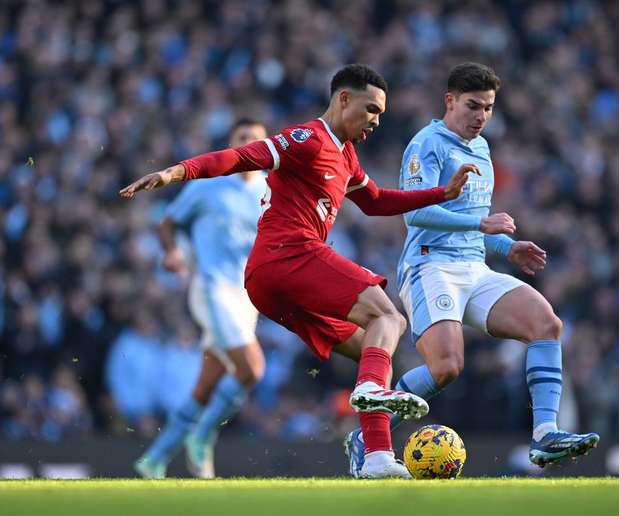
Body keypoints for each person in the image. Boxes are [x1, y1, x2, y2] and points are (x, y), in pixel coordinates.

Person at [120, 64, 475, 479]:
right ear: (343, 99)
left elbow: (376, 201)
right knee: (389, 317)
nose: (376, 121)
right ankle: (365, 395)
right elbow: (239, 157)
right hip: (286, 255)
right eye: (371, 109)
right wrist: (176, 172)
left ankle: (376, 456)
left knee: (373, 352)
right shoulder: (307, 138)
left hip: (271, 283)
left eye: (380, 114)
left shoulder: (345, 155)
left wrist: (442, 193)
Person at [344, 63, 599, 477]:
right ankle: (368, 432)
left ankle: (545, 436)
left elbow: (476, 226)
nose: (481, 116)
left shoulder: (481, 149)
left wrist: (506, 245)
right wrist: (483, 225)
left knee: (546, 323)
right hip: (429, 266)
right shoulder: (427, 144)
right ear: (450, 101)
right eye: (473, 106)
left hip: (473, 269)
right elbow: (416, 215)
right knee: (446, 367)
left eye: (489, 108)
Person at [134, 119, 269, 479]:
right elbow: (168, 221)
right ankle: (203, 434)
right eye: (243, 139)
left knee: (208, 383)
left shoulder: (270, 189)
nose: (250, 145)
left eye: (257, 140)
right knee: (253, 368)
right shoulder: (209, 186)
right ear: (231, 145)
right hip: (212, 289)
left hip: (246, 297)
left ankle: (154, 459)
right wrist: (173, 252)